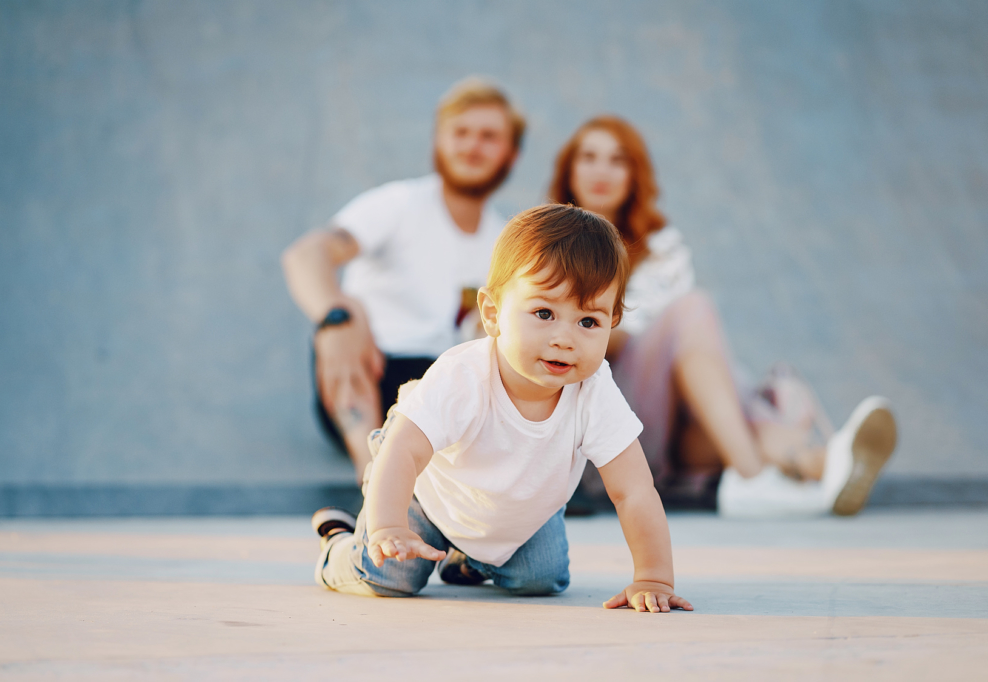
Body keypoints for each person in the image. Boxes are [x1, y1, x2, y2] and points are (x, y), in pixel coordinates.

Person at [310, 205, 693, 612]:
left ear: (611, 322)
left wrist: (653, 576)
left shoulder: (594, 391)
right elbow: (403, 451)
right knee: (392, 574)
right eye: (544, 313)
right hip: (425, 493)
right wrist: (388, 525)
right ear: (492, 314)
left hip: (514, 513)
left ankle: (470, 559)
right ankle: (341, 543)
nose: (565, 338)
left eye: (588, 322)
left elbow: (634, 490)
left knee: (542, 580)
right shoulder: (463, 375)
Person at [549, 116, 898, 517]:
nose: (601, 171)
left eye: (617, 160)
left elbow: (674, 352)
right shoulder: (548, 245)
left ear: (634, 174)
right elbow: (608, 341)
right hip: (602, 430)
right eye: (589, 157)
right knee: (694, 310)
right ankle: (787, 470)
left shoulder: (662, 248)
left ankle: (822, 466)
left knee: (718, 393)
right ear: (569, 169)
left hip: (676, 436)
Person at [281, 77, 524, 483]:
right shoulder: (399, 204)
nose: (472, 145)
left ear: (511, 154)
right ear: (438, 142)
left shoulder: (505, 242)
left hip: (445, 384)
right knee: (346, 315)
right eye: (460, 133)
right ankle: (371, 473)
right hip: (372, 369)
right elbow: (306, 254)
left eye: (489, 136)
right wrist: (334, 315)